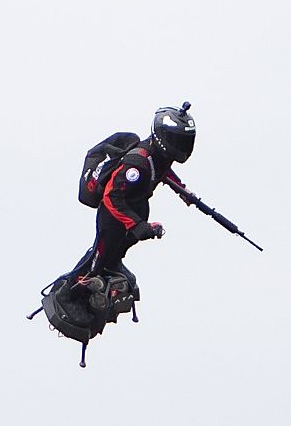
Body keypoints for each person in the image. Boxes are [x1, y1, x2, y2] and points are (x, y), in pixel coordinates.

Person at [71, 102, 197, 293]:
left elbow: (163, 171)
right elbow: (111, 197)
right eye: (177, 141)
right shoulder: (136, 164)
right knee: (100, 255)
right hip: (114, 214)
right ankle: (73, 291)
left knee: (118, 249)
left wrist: (183, 191)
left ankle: (112, 266)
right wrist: (137, 225)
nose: (181, 147)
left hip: (134, 206)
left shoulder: (159, 157)